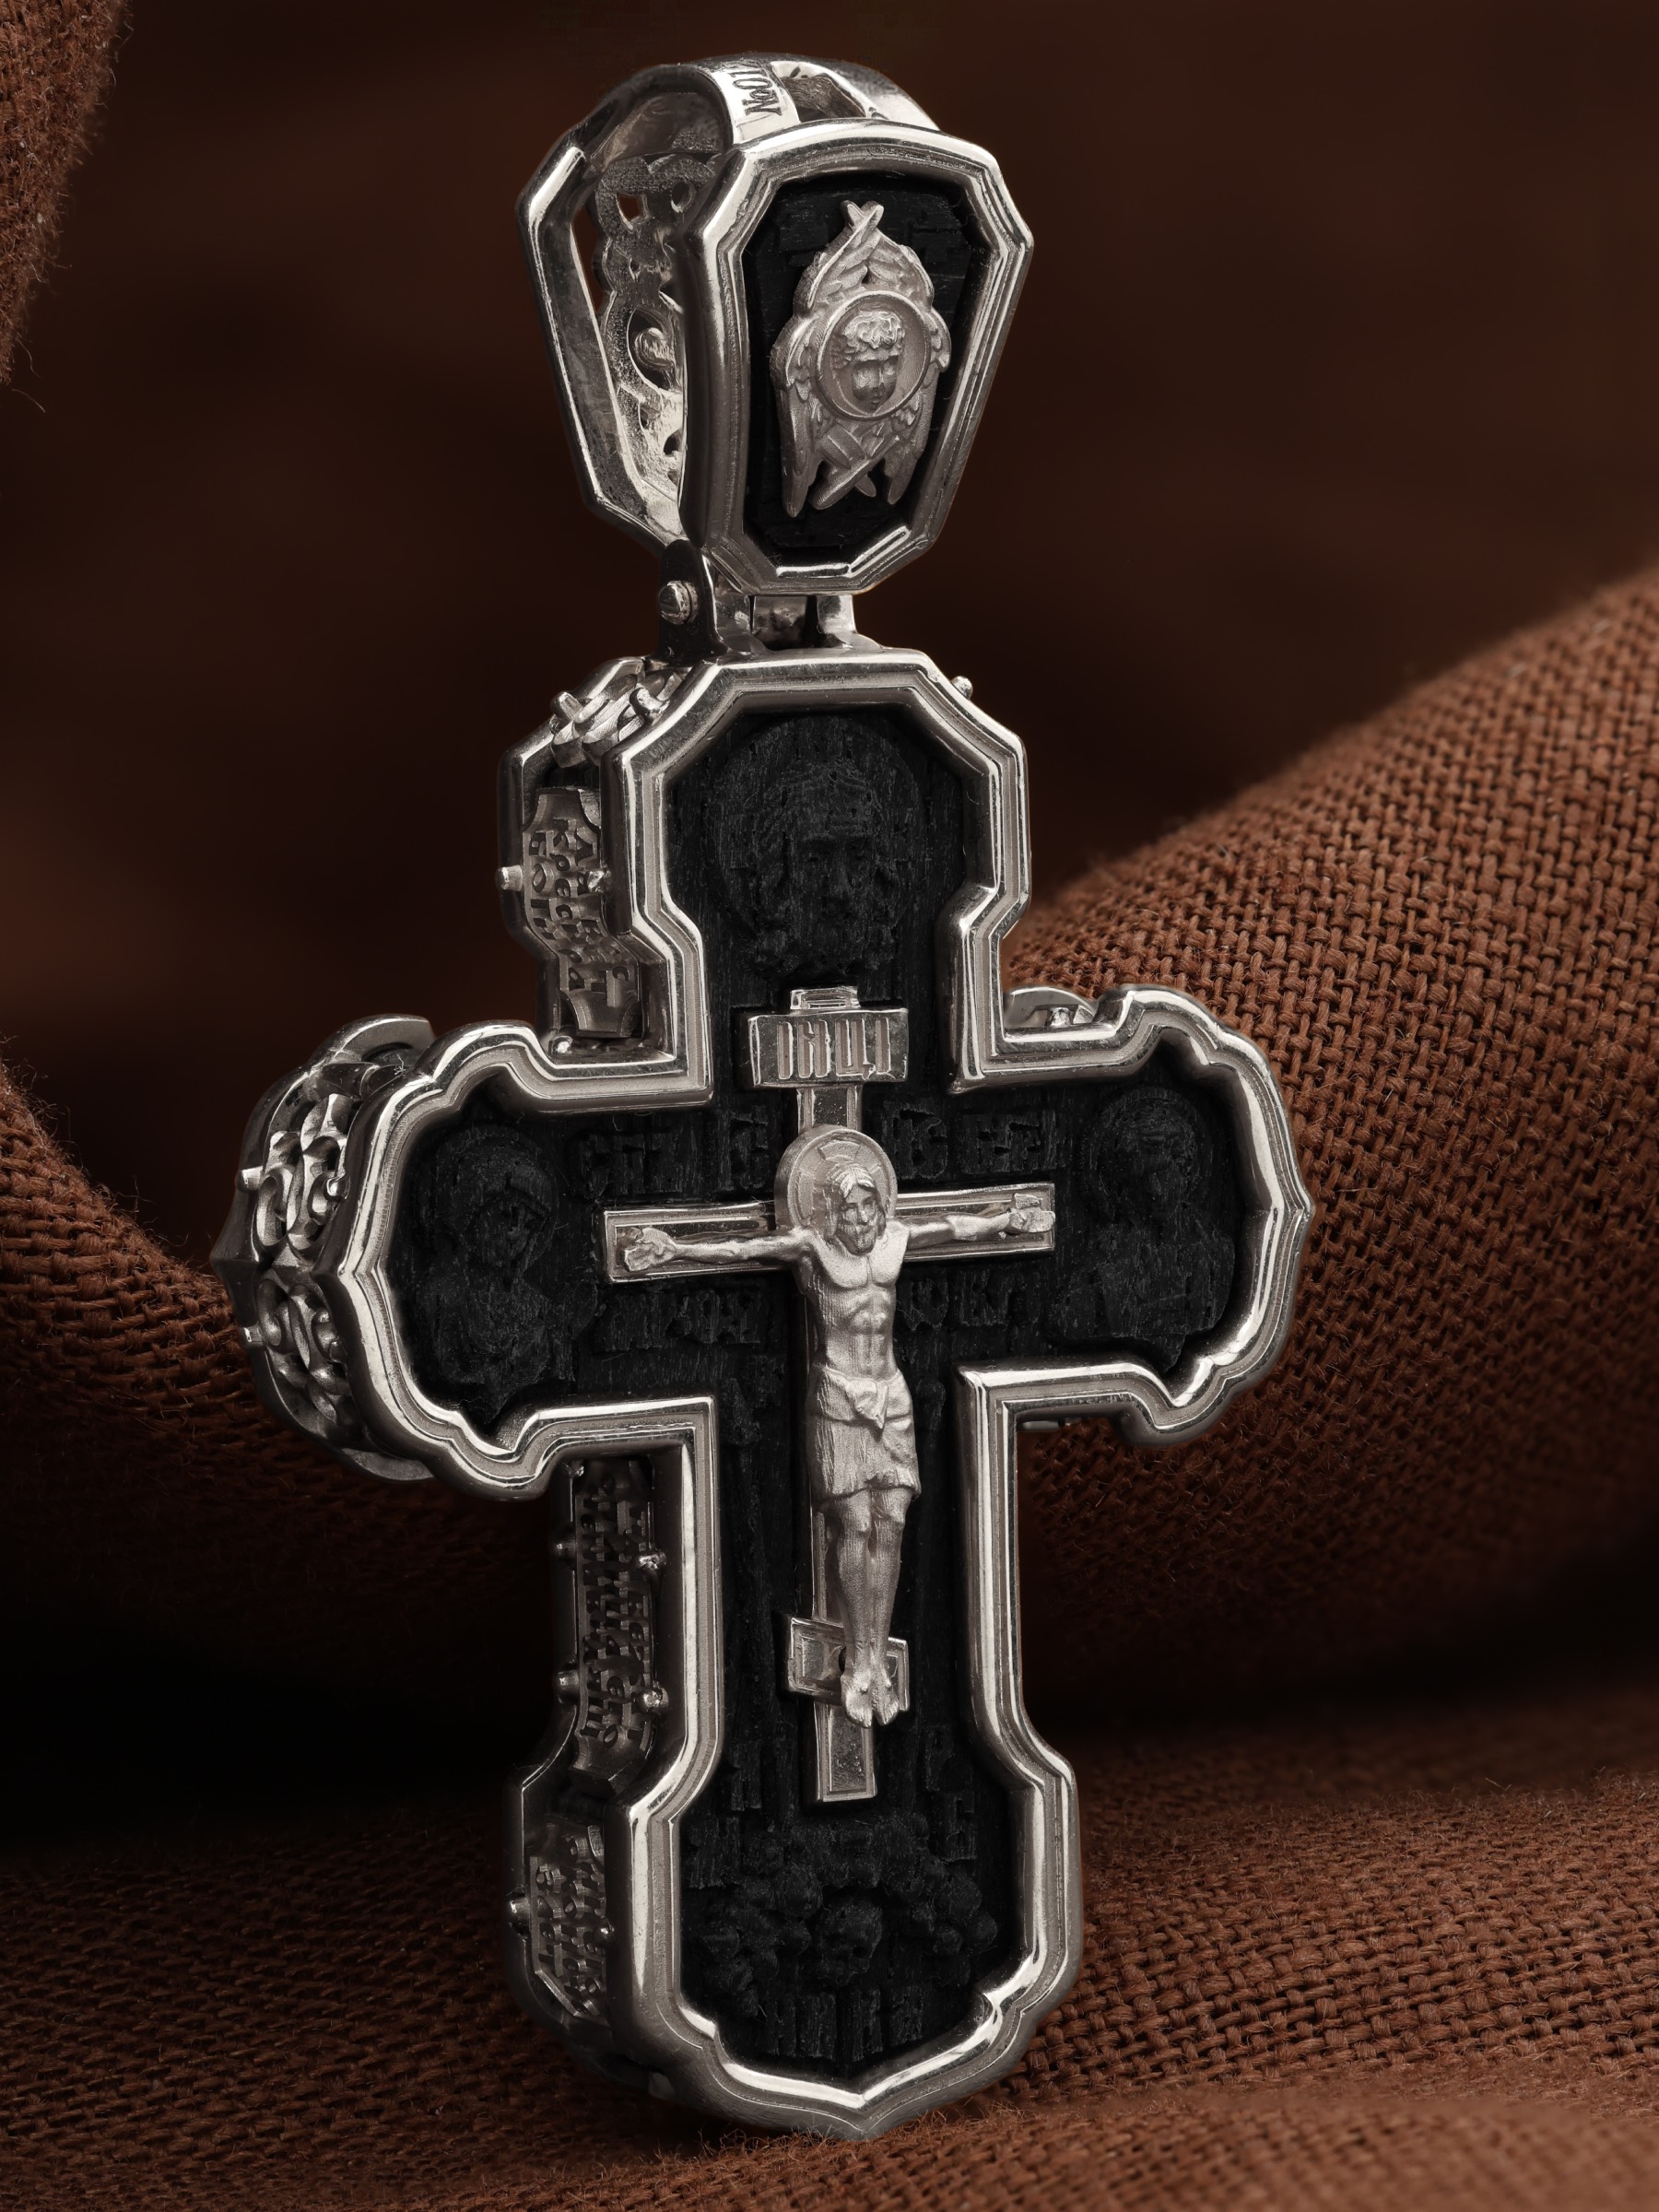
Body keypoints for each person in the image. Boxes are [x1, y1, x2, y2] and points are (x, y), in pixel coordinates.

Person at [623, 1133, 1052, 1726]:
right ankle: (859, 1662)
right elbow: (745, 1247)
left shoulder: (895, 1240)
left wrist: (1008, 1219)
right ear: (829, 1211)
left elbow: (956, 1226)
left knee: (893, 1519)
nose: (861, 1219)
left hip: (890, 1398)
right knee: (855, 1523)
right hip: (837, 1400)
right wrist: (675, 1249)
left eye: (870, 1206)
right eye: (850, 1208)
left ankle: (874, 1656)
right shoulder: (812, 1250)